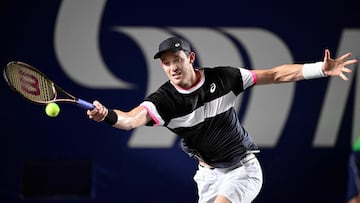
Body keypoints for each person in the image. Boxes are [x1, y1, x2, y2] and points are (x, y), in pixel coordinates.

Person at [87, 36, 357, 203]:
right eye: (166, 62)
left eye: (178, 59)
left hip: (243, 169)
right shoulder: (163, 100)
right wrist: (107, 115)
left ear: (190, 58)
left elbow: (275, 74)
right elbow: (131, 119)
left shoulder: (224, 78)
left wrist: (319, 69)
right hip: (208, 176)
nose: (173, 67)